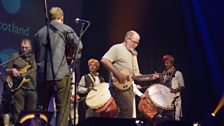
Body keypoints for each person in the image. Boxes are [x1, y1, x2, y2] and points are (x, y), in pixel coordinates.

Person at [33, 7, 80, 126]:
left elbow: (36, 55)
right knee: (62, 109)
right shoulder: (66, 29)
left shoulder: (38, 33)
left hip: (42, 76)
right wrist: (71, 61)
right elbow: (79, 47)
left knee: (41, 108)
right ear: (62, 17)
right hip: (61, 75)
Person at [101, 30, 158, 118]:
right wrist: (117, 73)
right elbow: (104, 60)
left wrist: (149, 78)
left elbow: (136, 75)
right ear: (127, 39)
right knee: (126, 111)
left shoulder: (133, 54)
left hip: (128, 85)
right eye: (134, 42)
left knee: (128, 113)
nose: (135, 45)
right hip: (119, 84)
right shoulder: (117, 48)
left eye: (137, 43)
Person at [5, 38, 37, 124]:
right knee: (17, 113)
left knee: (31, 114)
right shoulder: (14, 56)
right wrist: (12, 70)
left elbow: (35, 68)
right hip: (19, 88)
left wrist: (22, 75)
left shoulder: (34, 58)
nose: (24, 49)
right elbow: (6, 70)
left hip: (31, 88)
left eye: (26, 47)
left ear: (30, 48)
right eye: (22, 47)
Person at [159, 54, 184, 120]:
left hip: (175, 99)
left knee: (175, 119)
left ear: (172, 63)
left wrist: (174, 90)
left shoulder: (178, 73)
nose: (166, 64)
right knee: (164, 119)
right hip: (166, 99)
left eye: (167, 63)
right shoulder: (164, 74)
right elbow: (162, 85)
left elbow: (182, 86)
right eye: (165, 63)